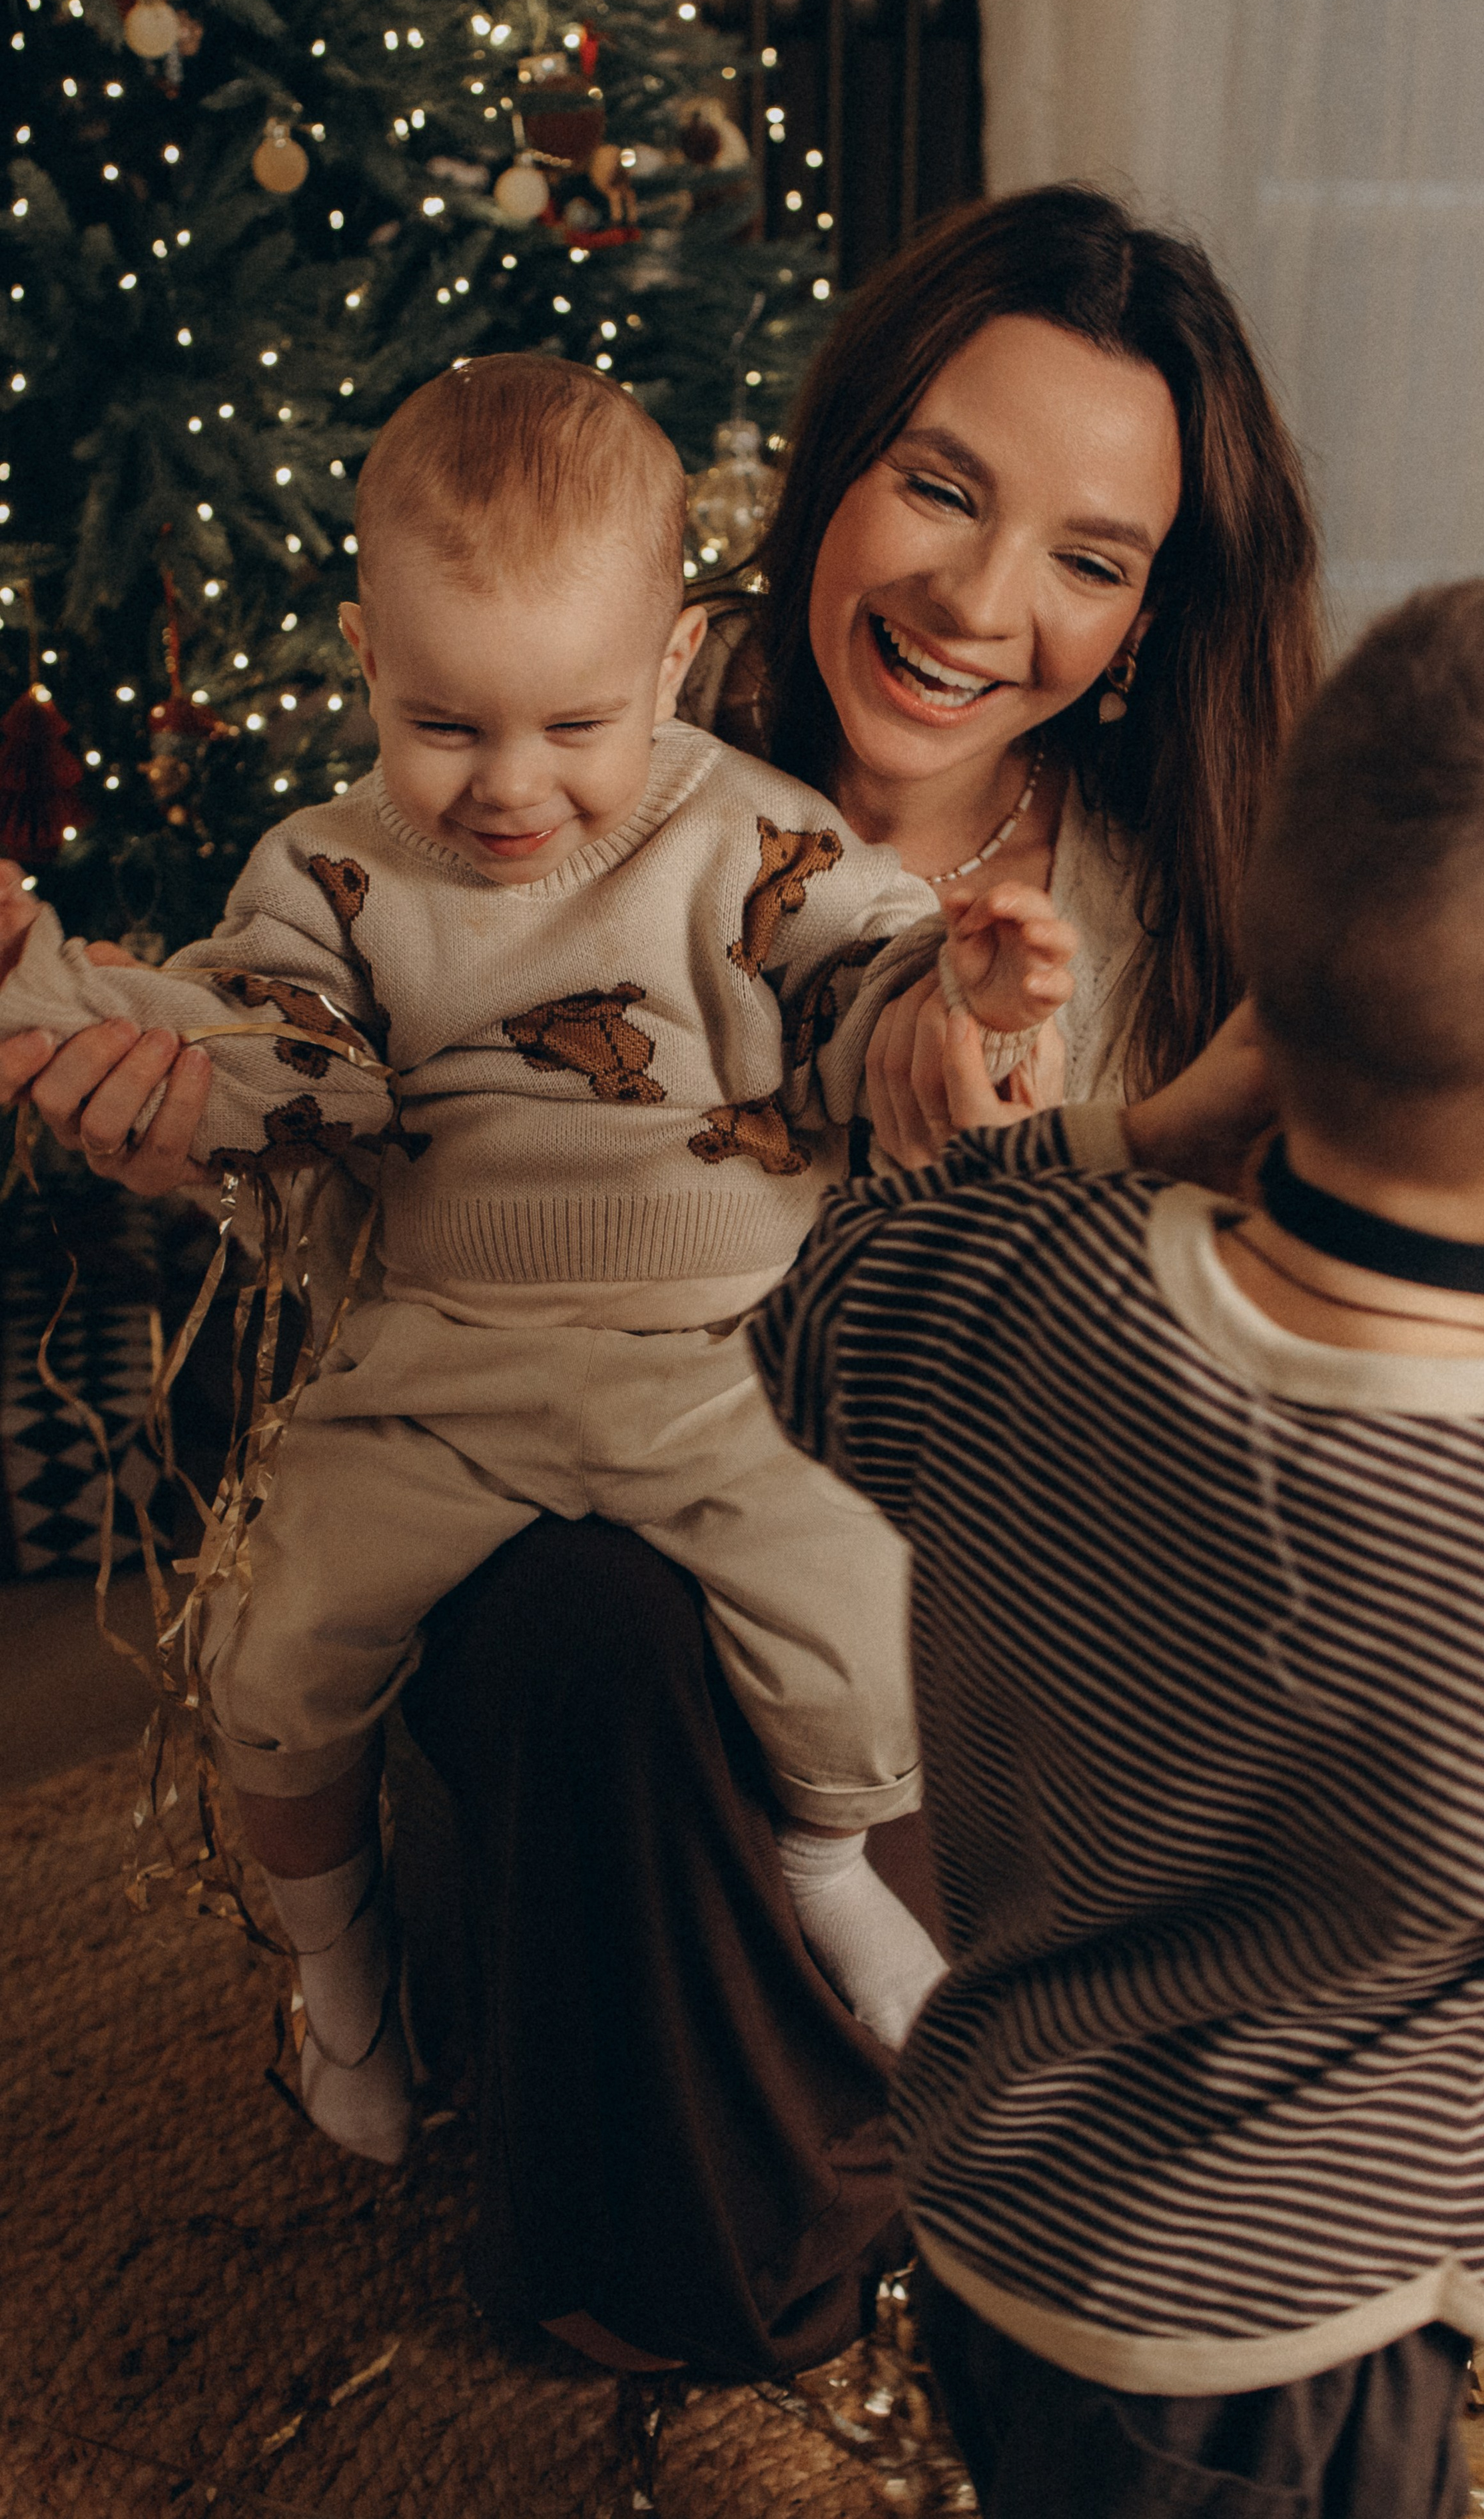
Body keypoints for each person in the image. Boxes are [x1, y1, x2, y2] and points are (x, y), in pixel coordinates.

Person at [0, 188, 1319, 2369]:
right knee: (599, 1633)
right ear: (824, 477)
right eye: (942, 487)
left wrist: (984, 1085)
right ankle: (660, 2217)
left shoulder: (1165, 901)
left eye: (1089, 557)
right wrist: (168, 1093)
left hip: (952, 1564)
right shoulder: (580, 705)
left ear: (1157, 614)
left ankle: (875, 2072)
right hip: (536, 1471)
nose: (984, 600)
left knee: (860, 1649)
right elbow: (327, 1065)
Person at [0, 353, 1075, 2161]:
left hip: (732, 1353)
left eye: (577, 728)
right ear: (363, 653)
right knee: (272, 1663)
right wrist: (77, 1017)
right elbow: (275, 1055)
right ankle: (339, 1964)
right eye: (446, 724)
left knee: (868, 1632)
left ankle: (826, 1872)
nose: (510, 791)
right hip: (442, 1360)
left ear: (668, 663)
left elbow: (863, 978)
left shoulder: (742, 827)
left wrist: (959, 992)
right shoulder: (331, 869)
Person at [749, 576, 1484, 2516]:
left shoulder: (1039, 1273)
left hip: (1005, 2201)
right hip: (1269, 2341)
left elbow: (822, 1311)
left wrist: (1136, 1132)